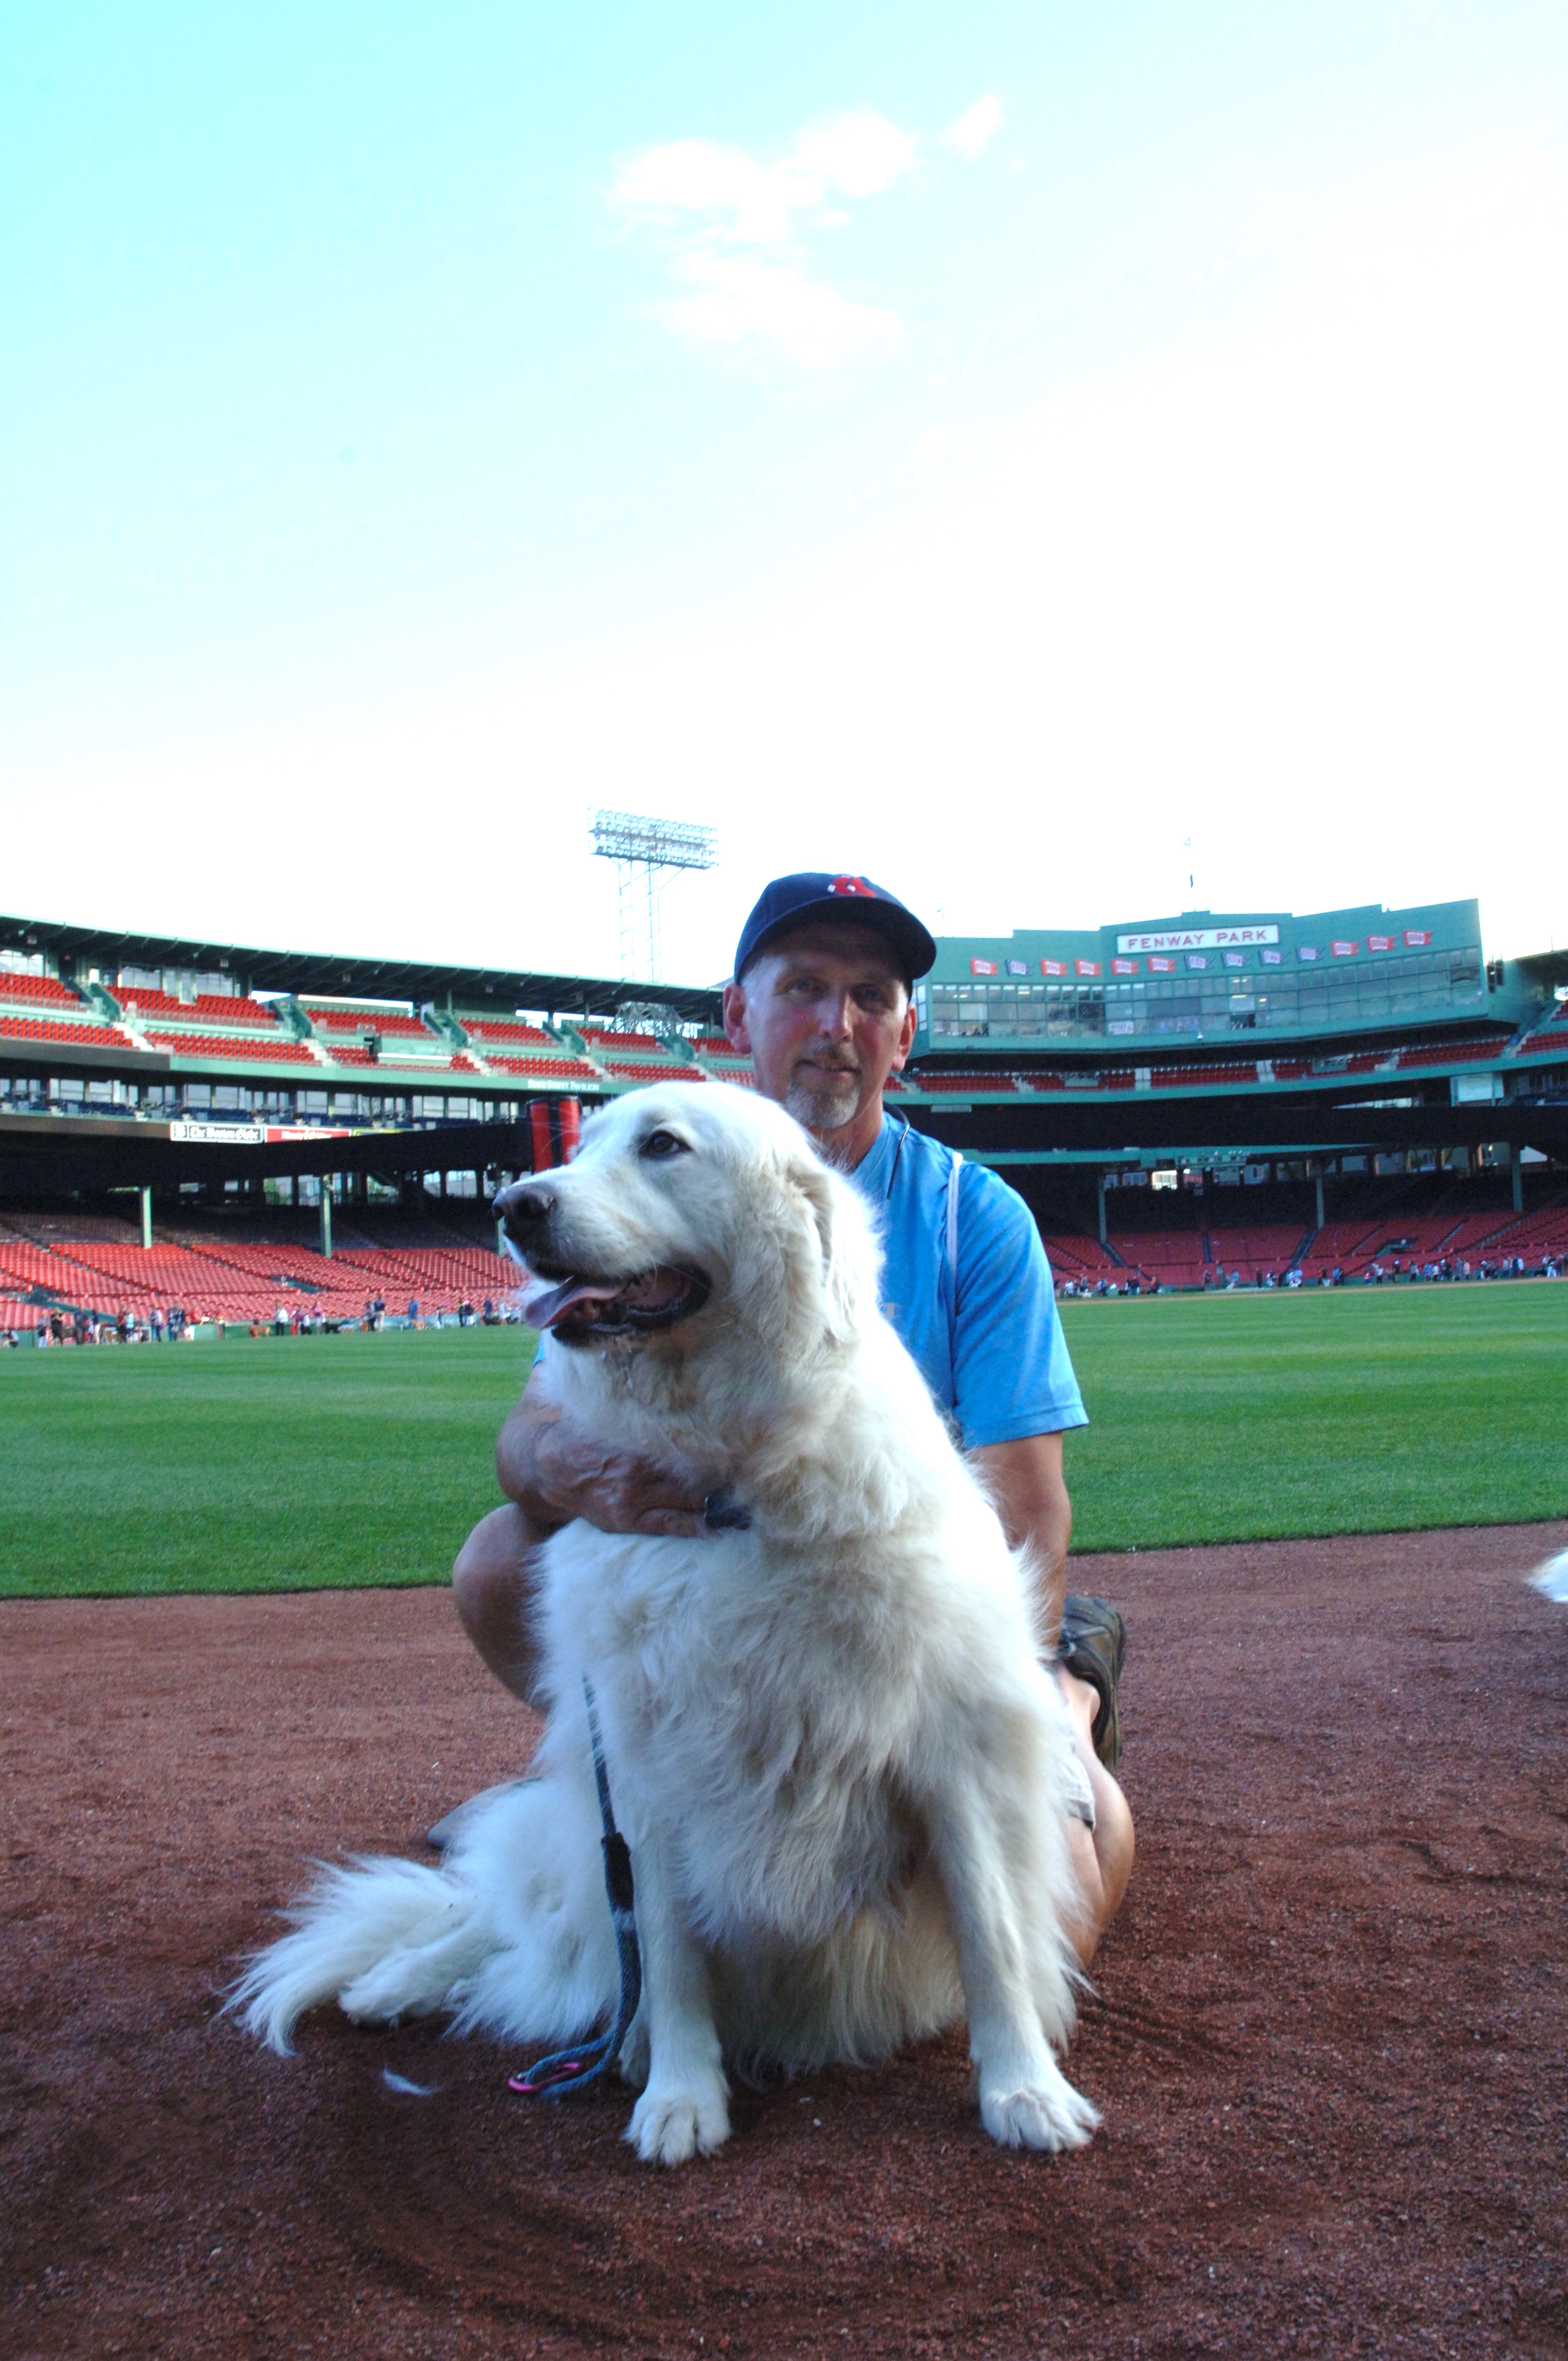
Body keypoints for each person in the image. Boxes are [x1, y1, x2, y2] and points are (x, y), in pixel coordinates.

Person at [449, 872, 1134, 1966]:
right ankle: (630, 1785)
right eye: (804, 987)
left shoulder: (973, 1216)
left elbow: (1026, 1503)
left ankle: (1067, 1698)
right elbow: (523, 1443)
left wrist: (1025, 1700)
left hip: (918, 1607)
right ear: (738, 1014)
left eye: (870, 996)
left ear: (904, 1034)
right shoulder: (640, 1177)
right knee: (500, 1553)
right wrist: (575, 1469)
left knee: (1061, 1906)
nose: (836, 1025)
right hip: (724, 1597)